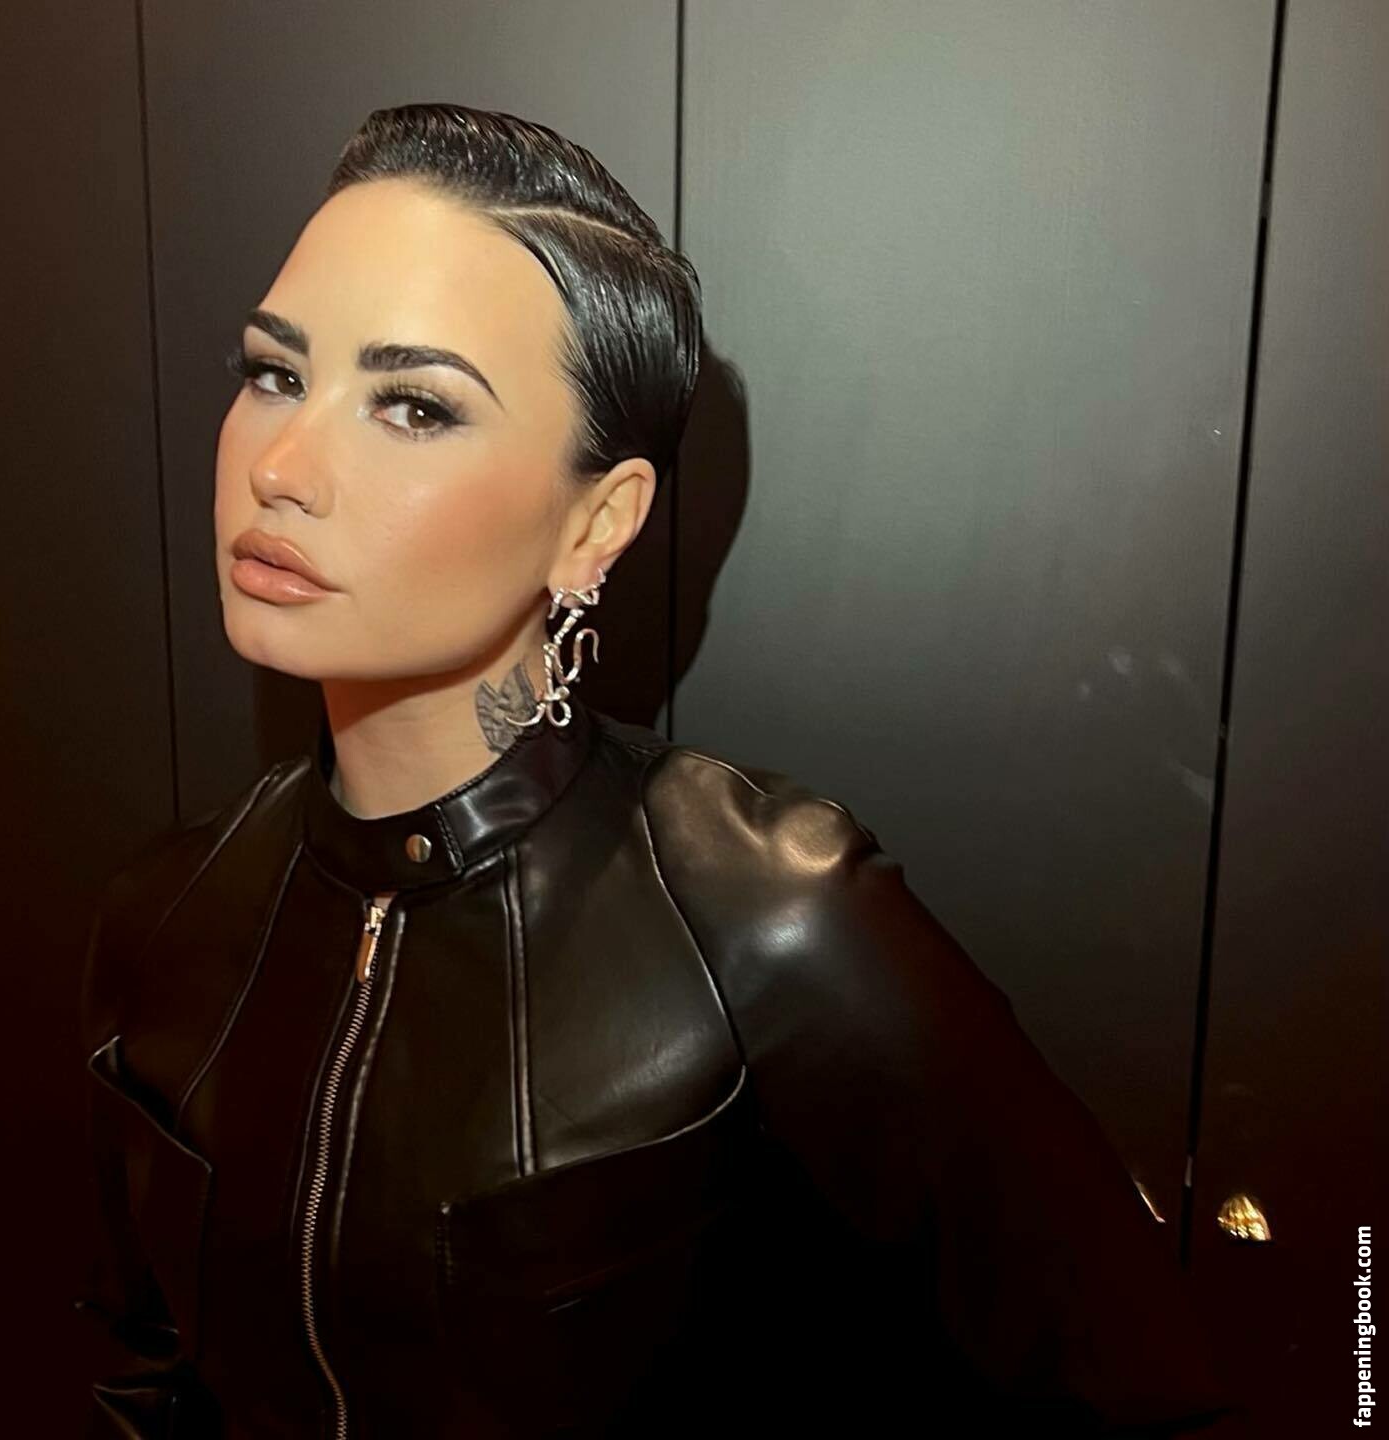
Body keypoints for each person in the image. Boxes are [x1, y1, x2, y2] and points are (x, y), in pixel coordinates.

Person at [76, 103, 1251, 1438]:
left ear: (597, 521)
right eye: (275, 374)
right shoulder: (164, 915)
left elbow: (1136, 1385)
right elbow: (142, 1367)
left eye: (413, 405)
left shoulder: (765, 917)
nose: (280, 467)